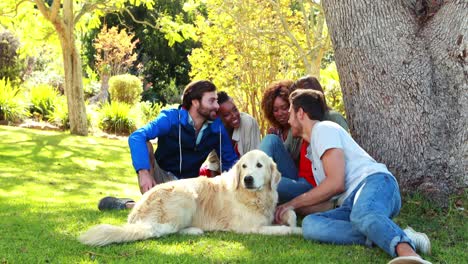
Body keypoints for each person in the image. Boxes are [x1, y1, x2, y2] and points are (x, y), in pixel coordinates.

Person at [275, 89, 432, 264]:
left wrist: (293, 202)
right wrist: (290, 210)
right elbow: (330, 201)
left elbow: (336, 184)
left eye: (290, 112)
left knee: (362, 214)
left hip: (375, 182)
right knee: (311, 225)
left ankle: (410, 256)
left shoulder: (323, 129)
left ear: (301, 113)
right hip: (350, 202)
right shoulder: (313, 153)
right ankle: (394, 233)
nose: (288, 119)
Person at [98, 80, 238, 210]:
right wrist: (143, 172)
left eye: (217, 101)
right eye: (212, 101)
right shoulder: (171, 118)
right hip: (162, 177)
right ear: (195, 102)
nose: (217, 106)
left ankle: (130, 205)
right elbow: (137, 137)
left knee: (187, 210)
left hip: (189, 184)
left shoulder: (216, 128)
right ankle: (147, 199)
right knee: (146, 144)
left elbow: (230, 161)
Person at [259, 79, 347, 210]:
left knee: (266, 182)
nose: (289, 111)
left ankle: (254, 184)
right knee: (271, 139)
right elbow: (287, 153)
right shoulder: (297, 123)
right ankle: (255, 172)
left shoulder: (330, 121)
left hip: (314, 185)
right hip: (299, 177)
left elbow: (340, 163)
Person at [201, 91, 261, 176]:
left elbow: (254, 161)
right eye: (226, 114)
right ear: (218, 118)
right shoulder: (216, 129)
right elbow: (213, 164)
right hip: (225, 177)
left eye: (235, 110)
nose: (234, 115)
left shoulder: (248, 123)